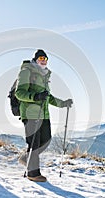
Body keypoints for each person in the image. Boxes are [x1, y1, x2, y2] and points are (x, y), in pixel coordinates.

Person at [15, 49, 73, 182]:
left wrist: (63, 103)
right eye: (41, 58)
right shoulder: (26, 71)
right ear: (35, 59)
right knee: (34, 144)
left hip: (44, 114)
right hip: (30, 113)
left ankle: (26, 158)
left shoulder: (45, 75)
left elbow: (48, 97)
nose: (43, 60)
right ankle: (33, 173)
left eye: (45, 59)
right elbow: (19, 93)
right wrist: (36, 96)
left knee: (45, 141)